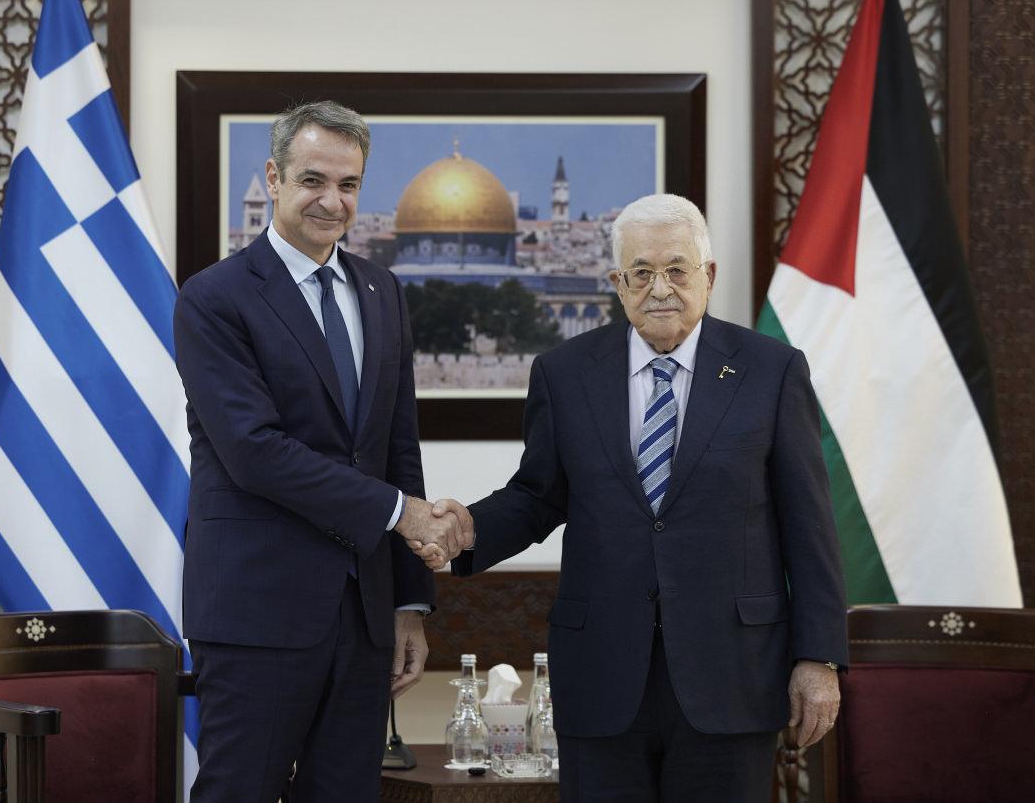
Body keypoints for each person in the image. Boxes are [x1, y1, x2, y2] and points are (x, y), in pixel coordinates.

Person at [422, 194, 847, 801]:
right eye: (641, 273)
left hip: (732, 674)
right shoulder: (564, 372)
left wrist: (818, 657)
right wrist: (466, 528)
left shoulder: (771, 371)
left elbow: (810, 526)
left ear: (709, 275)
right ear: (617, 283)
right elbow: (538, 495)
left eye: (677, 270)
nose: (660, 289)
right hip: (602, 673)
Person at [174, 101, 471, 802]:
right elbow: (254, 452)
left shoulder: (381, 290)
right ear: (273, 178)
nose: (332, 201)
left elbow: (397, 447)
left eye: (348, 184)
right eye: (313, 180)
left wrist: (410, 602)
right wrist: (401, 513)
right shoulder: (214, 298)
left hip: (365, 618)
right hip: (257, 615)